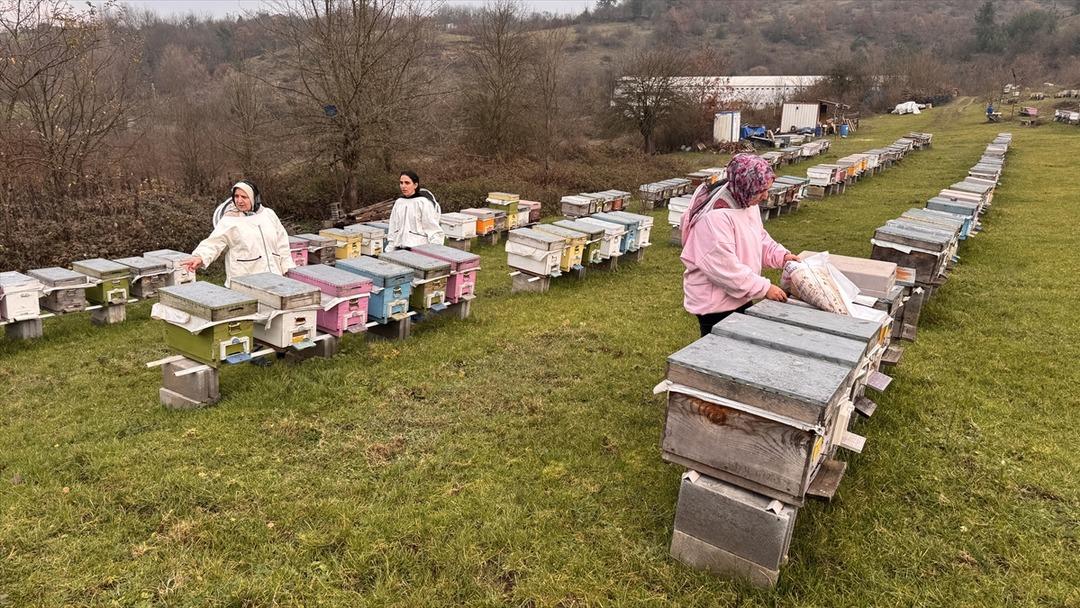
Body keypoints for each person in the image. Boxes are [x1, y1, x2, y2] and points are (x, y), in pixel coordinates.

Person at [680, 154, 800, 338]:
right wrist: (764, 288)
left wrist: (780, 255)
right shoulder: (714, 219)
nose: (765, 195)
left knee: (742, 344)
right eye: (761, 191)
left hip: (738, 294)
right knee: (719, 353)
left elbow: (757, 236)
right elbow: (725, 270)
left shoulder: (745, 198)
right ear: (745, 186)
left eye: (767, 189)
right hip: (715, 303)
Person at [180, 181, 294, 286]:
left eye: (244, 197)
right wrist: (200, 257)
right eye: (236, 196)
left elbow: (282, 243)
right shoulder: (230, 220)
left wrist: (288, 268)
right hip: (244, 281)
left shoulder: (269, 215)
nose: (239, 201)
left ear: (254, 198)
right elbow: (213, 243)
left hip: (274, 278)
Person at [386, 171, 444, 251]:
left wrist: (435, 250)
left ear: (415, 185)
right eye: (401, 183)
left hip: (419, 249)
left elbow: (432, 229)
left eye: (407, 183)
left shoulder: (422, 202)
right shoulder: (399, 202)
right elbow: (393, 227)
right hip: (399, 249)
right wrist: (390, 249)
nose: (403, 186)